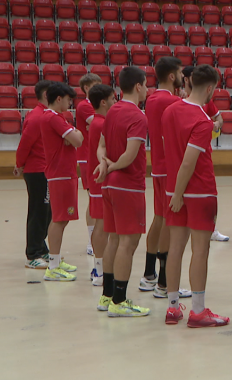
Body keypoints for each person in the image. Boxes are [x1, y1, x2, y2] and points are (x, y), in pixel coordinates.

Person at [162, 64, 230, 327]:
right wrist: (180, 193)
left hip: (172, 189)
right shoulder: (202, 120)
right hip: (198, 192)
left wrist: (175, 192)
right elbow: (189, 163)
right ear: (210, 88)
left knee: (175, 249)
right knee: (200, 251)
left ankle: (172, 308)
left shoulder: (170, 111)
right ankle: (198, 311)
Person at [94, 66, 150, 317]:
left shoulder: (113, 110)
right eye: (146, 85)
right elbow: (130, 154)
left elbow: (101, 145)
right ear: (138, 86)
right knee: (129, 242)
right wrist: (114, 166)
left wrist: (104, 163)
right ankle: (119, 300)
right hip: (128, 184)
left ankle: (106, 296)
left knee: (114, 239)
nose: (147, 89)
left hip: (109, 184)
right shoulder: (138, 116)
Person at [140, 57, 193, 300]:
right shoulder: (172, 102)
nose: (183, 77)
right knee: (171, 224)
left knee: (159, 219)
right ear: (172, 76)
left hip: (158, 165)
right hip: (171, 167)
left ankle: (149, 274)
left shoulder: (151, 99)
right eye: (181, 73)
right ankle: (163, 282)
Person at [39, 82, 83, 281]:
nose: (69, 103)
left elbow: (75, 137)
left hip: (65, 173)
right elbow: (79, 140)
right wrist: (74, 134)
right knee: (59, 219)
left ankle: (55, 259)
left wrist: (74, 133)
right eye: (68, 100)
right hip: (60, 174)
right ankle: (53, 265)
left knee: (63, 218)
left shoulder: (58, 118)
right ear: (59, 99)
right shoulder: (53, 118)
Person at [184, 65, 230, 243]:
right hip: (187, 154)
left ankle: (211, 229)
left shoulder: (207, 102)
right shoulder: (179, 103)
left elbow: (220, 120)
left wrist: (215, 126)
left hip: (203, 152)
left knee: (208, 194)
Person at [15, 80, 53, 270]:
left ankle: (41, 246)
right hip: (37, 170)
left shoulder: (47, 115)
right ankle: (33, 254)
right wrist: (19, 164)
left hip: (47, 169)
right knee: (39, 212)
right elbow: (25, 144)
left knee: (48, 212)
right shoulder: (37, 117)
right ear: (47, 95)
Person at [86, 84, 116, 287]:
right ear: (104, 102)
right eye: (113, 99)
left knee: (103, 223)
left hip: (98, 177)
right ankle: (98, 268)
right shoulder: (100, 124)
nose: (115, 102)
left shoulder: (100, 122)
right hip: (99, 179)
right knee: (101, 224)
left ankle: (100, 265)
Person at [76, 73, 100, 256]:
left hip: (98, 157)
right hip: (86, 158)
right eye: (94, 85)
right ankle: (92, 242)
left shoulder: (97, 105)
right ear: (86, 88)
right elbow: (100, 123)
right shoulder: (85, 106)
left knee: (98, 198)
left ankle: (98, 237)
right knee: (93, 198)